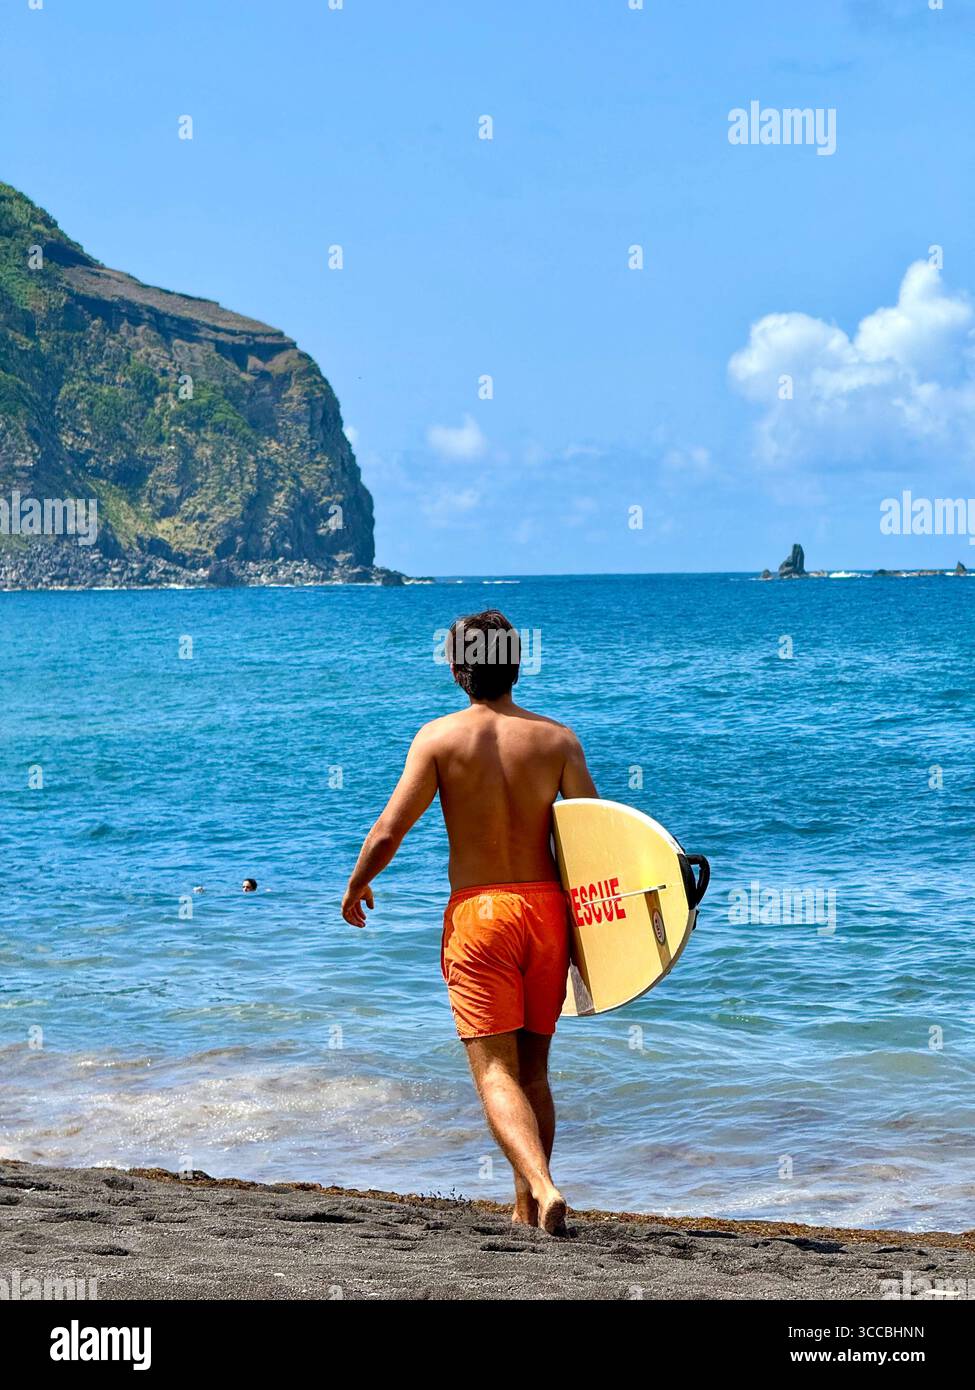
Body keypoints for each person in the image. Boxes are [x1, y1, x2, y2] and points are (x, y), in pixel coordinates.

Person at [342, 609, 597, 1234]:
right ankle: (526, 1211)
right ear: (516, 663)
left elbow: (388, 829)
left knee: (495, 1070)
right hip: (546, 914)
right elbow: (597, 838)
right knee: (534, 1069)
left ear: (459, 669)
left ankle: (540, 1186)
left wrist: (357, 883)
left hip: (481, 915)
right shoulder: (557, 739)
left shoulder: (439, 740)